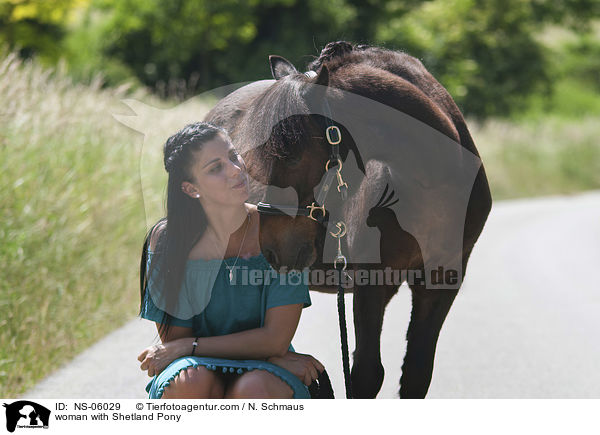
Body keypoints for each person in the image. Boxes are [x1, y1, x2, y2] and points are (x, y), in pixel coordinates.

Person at [137, 121, 324, 399]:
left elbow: (276, 338)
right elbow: (175, 341)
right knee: (191, 381)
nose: (236, 170)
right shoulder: (167, 241)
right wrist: (267, 355)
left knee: (253, 388)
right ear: (190, 189)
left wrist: (270, 355)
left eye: (233, 156)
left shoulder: (282, 231)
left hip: (264, 372)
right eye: (216, 168)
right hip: (198, 365)